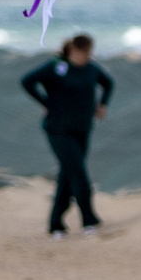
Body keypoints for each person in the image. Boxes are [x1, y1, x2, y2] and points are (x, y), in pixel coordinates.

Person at [21, 33, 112, 237]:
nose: (87, 56)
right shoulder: (56, 67)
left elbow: (108, 83)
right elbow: (27, 81)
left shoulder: (91, 68)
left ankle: (56, 224)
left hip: (83, 129)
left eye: (89, 52)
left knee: (68, 174)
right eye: (84, 52)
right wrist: (46, 103)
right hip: (58, 130)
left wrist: (103, 104)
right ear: (73, 49)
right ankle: (89, 220)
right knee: (78, 172)